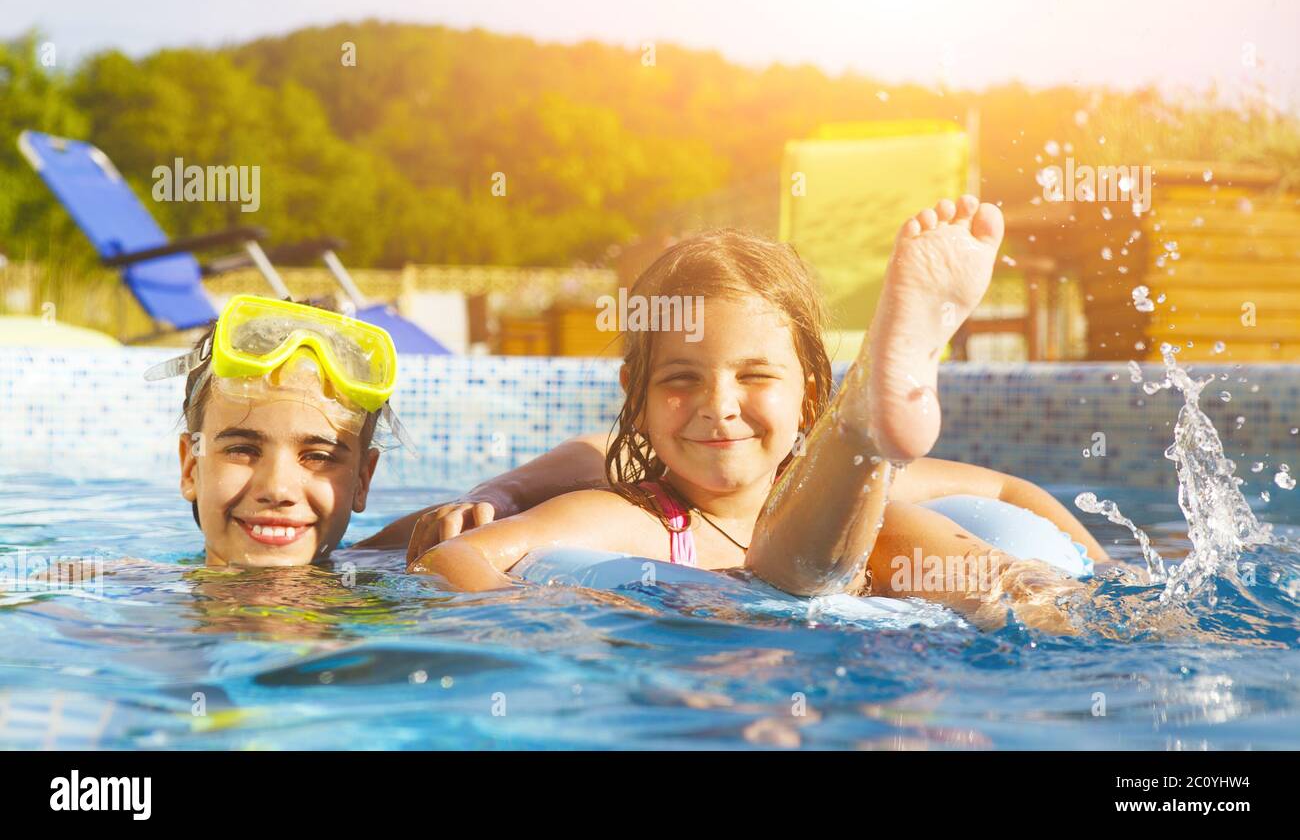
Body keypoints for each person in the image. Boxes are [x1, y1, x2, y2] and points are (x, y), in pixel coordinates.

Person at [395, 197, 1109, 630]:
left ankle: (1066, 616)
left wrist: (1103, 574)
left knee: (892, 526)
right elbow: (456, 557)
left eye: (755, 375)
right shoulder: (639, 522)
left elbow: (1012, 494)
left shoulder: (863, 498)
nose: (718, 406)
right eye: (681, 379)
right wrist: (522, 614)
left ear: (806, 396)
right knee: (854, 531)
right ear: (636, 403)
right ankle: (864, 425)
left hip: (862, 672)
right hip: (797, 665)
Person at [147, 294, 404, 567]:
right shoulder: (131, 587)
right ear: (190, 467)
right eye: (242, 450)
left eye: (319, 457)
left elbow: (446, 523)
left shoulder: (398, 577)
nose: (277, 489)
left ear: (362, 481)